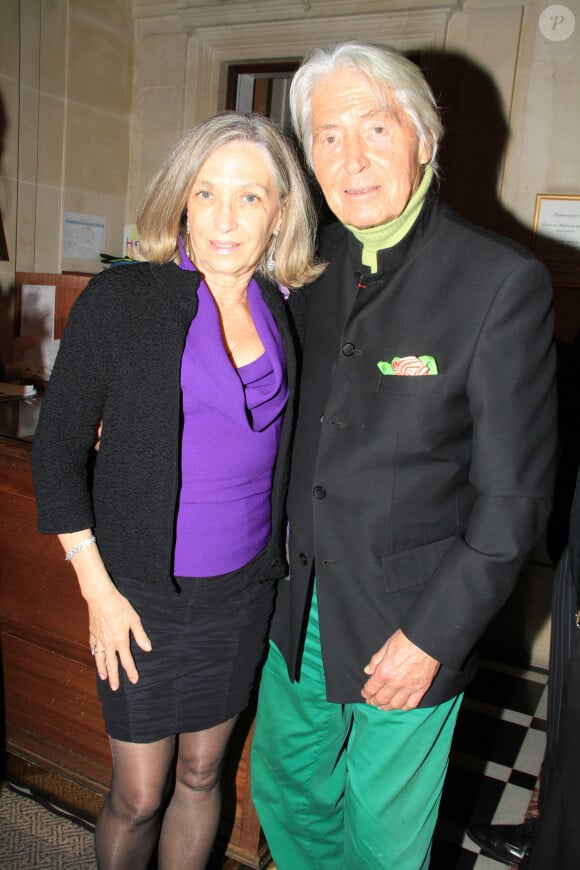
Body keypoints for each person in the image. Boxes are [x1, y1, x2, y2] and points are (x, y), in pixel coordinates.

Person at [250, 41, 557, 869]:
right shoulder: (304, 269)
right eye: (326, 136)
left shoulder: (500, 282)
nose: (351, 159)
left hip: (408, 621)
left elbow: (513, 501)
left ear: (423, 136)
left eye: (374, 127)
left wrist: (432, 635)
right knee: (286, 792)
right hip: (295, 604)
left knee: (385, 840)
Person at [32, 111, 323, 870]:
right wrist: (99, 591)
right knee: (139, 792)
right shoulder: (124, 300)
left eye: (250, 198)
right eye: (206, 193)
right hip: (139, 595)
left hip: (242, 591)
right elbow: (57, 453)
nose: (226, 218)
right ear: (181, 202)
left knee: (202, 775)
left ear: (280, 212)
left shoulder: (286, 310)